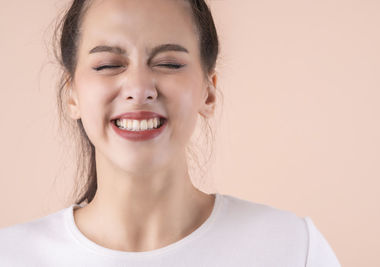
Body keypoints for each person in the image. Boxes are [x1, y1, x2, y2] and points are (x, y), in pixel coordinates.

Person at [0, 0, 341, 266]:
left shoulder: (293, 249)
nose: (138, 87)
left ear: (208, 92)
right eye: (108, 65)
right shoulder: (10, 257)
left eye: (169, 63)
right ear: (72, 94)